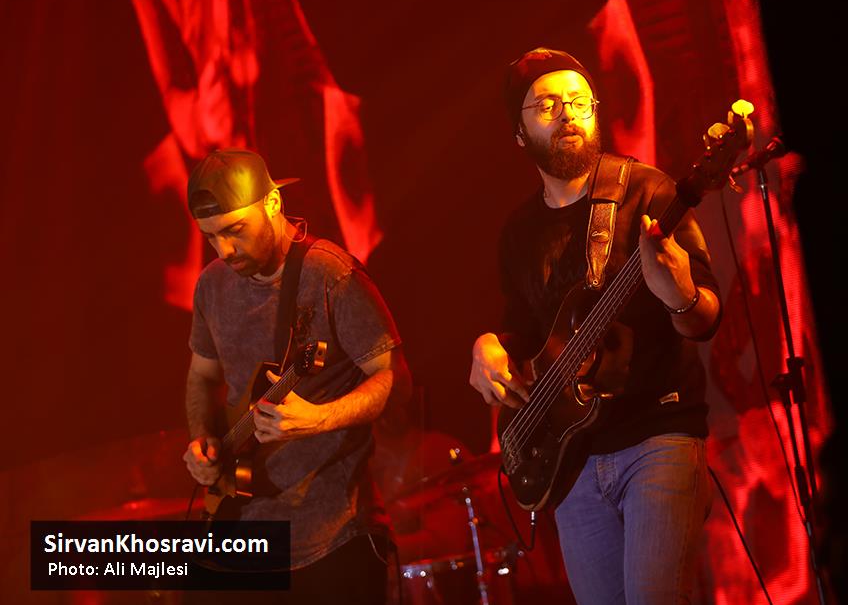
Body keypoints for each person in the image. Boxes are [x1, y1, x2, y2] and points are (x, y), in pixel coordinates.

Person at [468, 48, 721, 605]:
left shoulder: (649, 192)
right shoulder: (519, 232)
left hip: (658, 434)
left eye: (579, 102)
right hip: (573, 457)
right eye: (548, 105)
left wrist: (678, 292)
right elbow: (523, 332)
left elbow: (705, 319)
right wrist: (488, 346)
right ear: (519, 134)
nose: (567, 113)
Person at [182, 148, 411, 603]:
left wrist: (319, 419)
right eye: (211, 237)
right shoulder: (211, 284)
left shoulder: (330, 274)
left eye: (234, 231)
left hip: (332, 537)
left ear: (273, 203)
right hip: (241, 535)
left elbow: (394, 379)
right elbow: (201, 377)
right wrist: (203, 441)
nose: (224, 250)